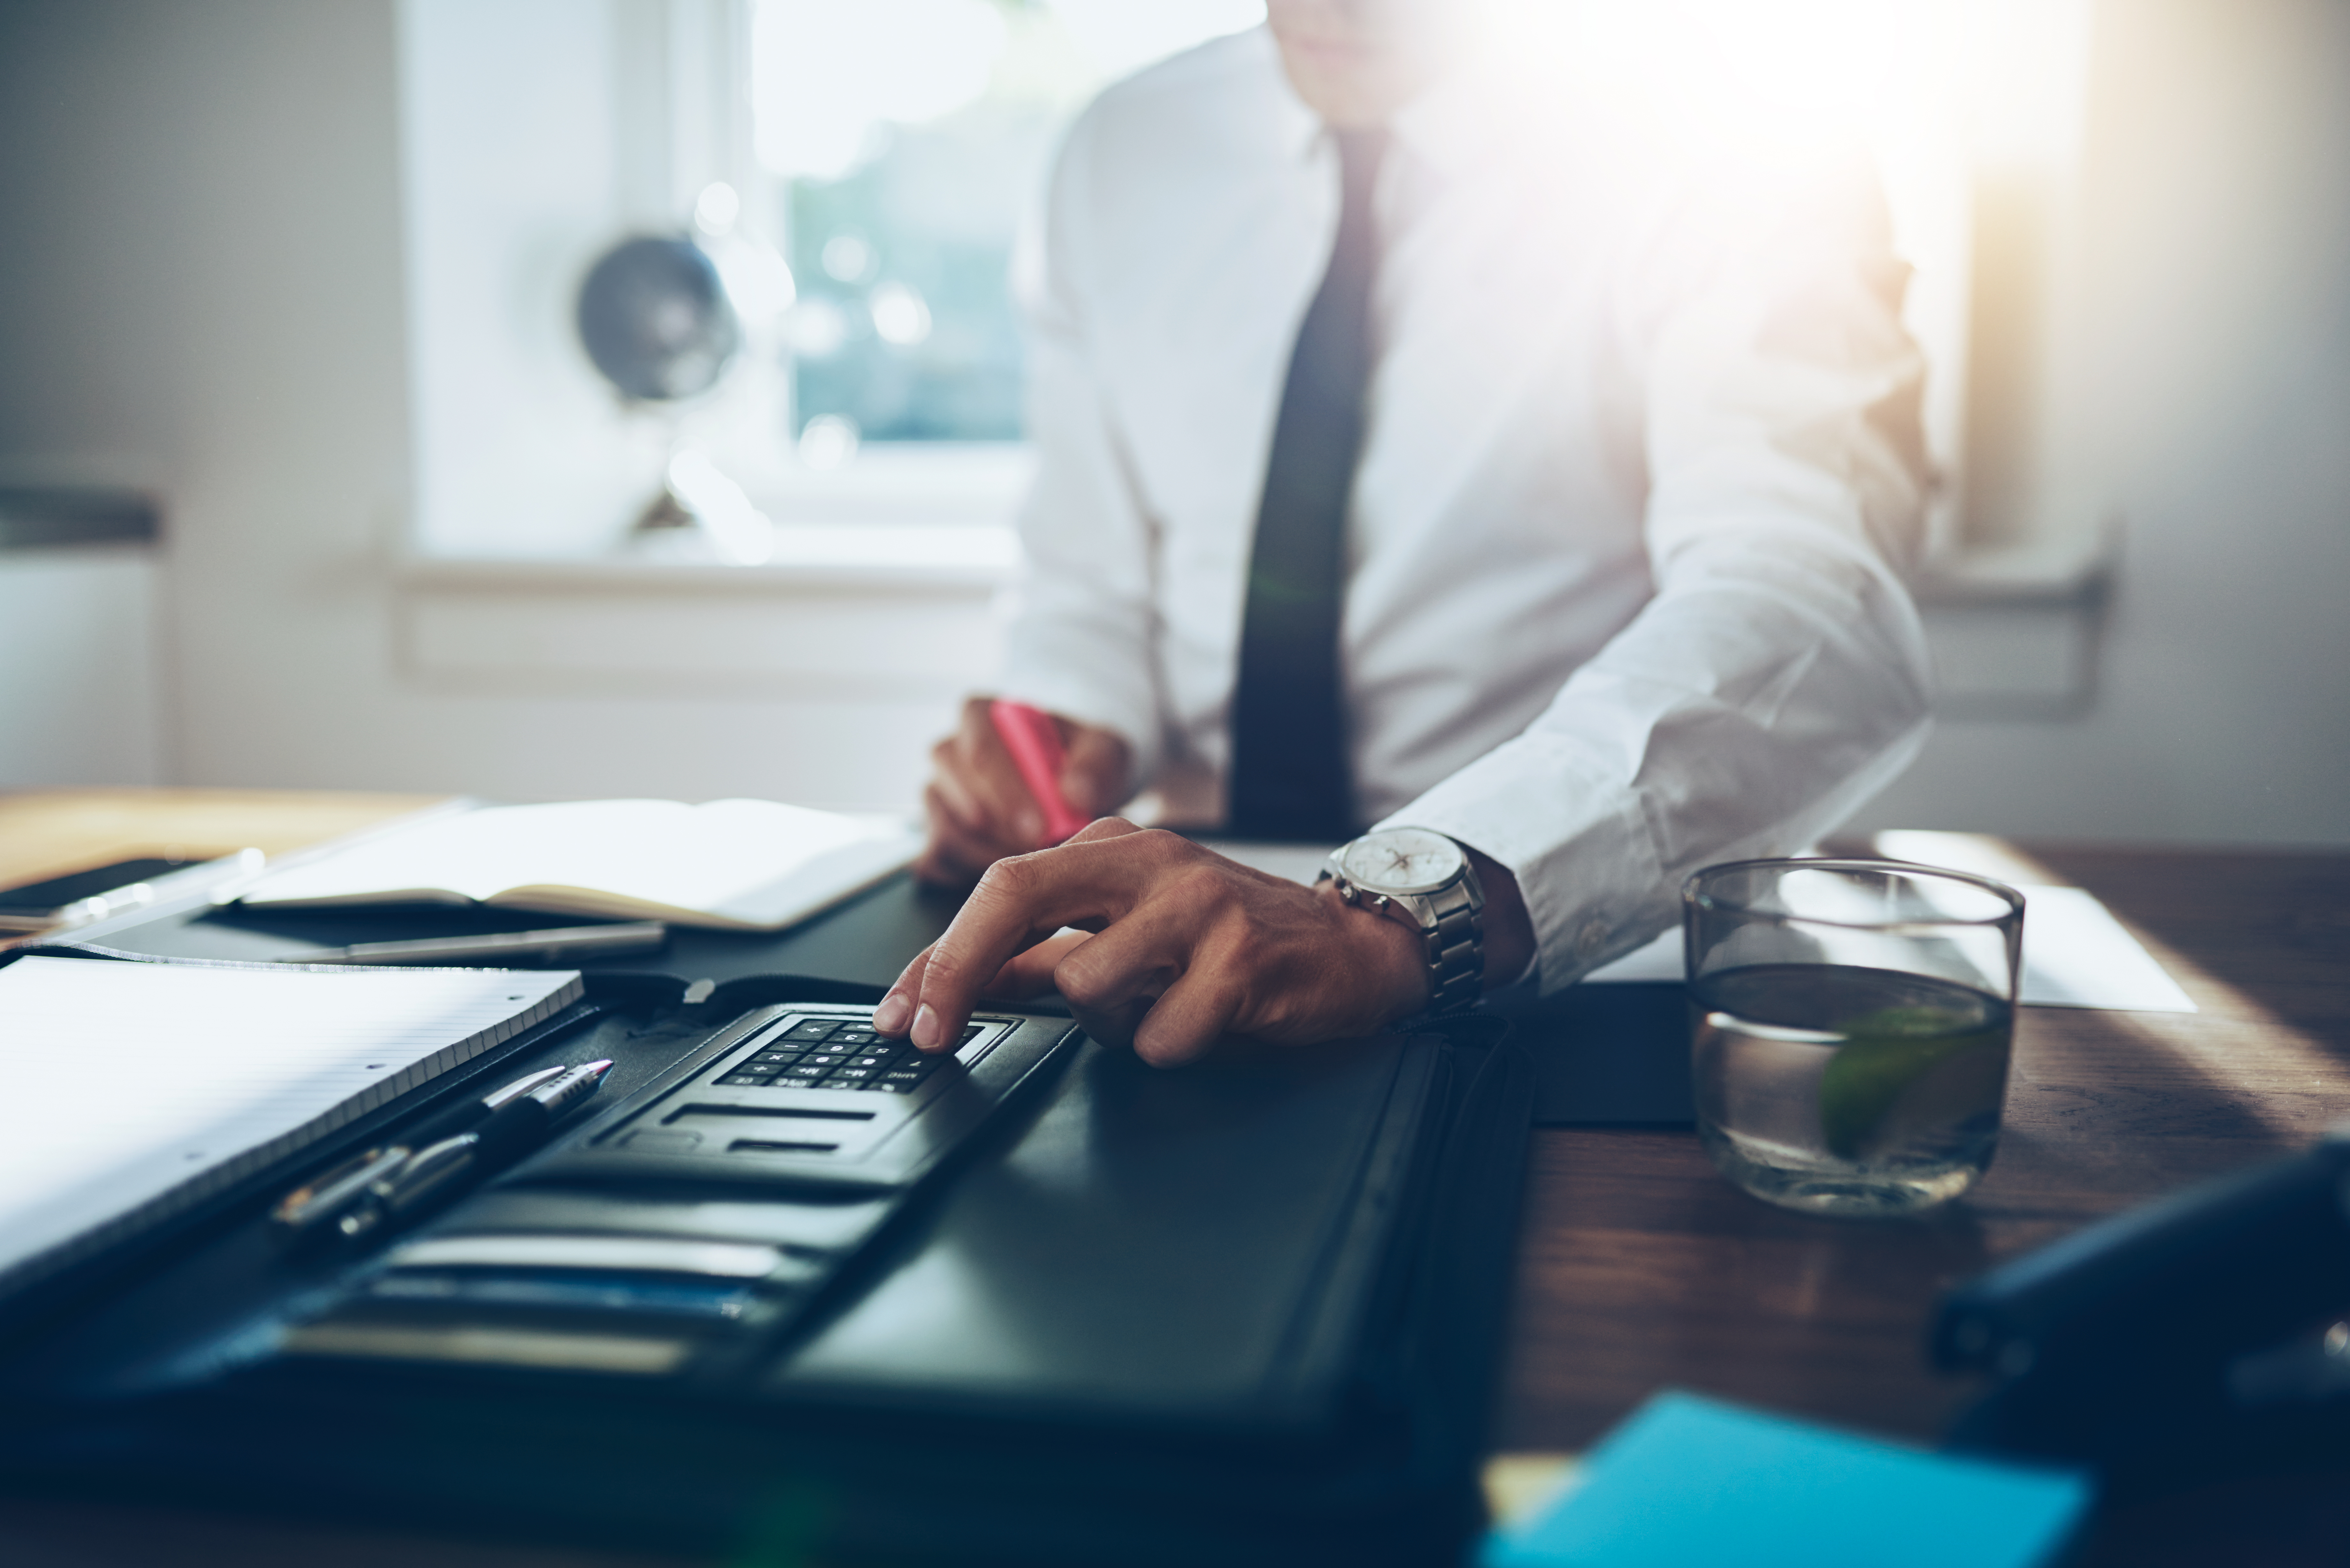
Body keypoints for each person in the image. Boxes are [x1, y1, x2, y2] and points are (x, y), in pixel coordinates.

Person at [876, 0, 1932, 1066]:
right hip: (1175, 948)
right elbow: (1089, 581)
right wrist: (1066, 729)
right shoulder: (1121, 151)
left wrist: (1398, 914)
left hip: (1562, 960)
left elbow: (1810, 596)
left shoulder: (1745, 148)